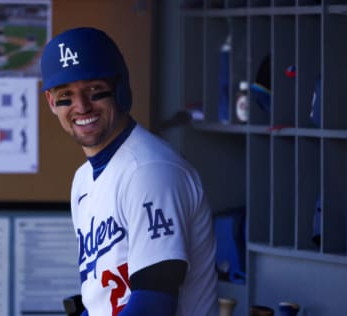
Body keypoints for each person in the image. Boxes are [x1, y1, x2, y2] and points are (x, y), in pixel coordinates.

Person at [40, 27, 219, 316]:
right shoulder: (83, 180)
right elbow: (100, 299)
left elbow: (154, 303)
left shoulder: (150, 171)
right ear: (51, 102)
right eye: (66, 96)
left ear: (119, 86)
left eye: (94, 90)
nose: (81, 106)